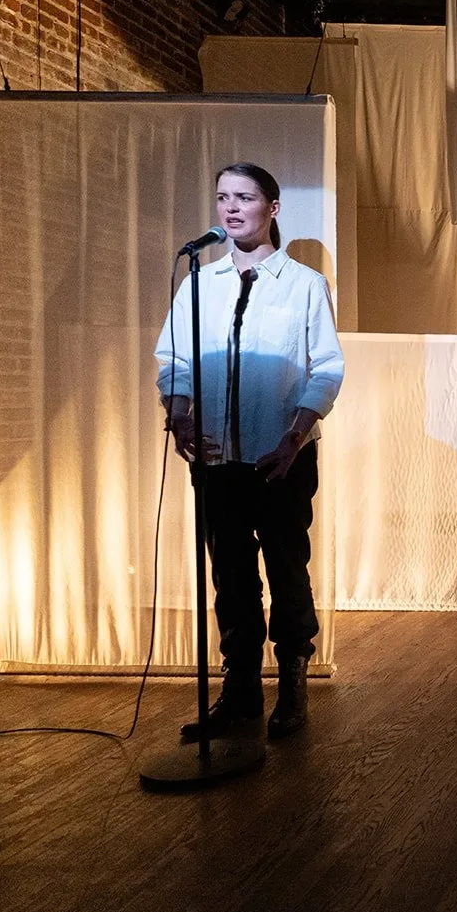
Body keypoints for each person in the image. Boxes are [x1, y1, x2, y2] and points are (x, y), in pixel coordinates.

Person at [155, 162, 345, 742]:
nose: (231, 208)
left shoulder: (305, 284)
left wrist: (295, 436)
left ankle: (292, 689)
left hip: (281, 457)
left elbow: (325, 368)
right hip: (216, 459)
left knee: (286, 569)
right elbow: (175, 358)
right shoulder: (199, 282)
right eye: (222, 197)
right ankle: (239, 693)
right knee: (231, 576)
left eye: (244, 197)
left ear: (273, 207)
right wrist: (179, 413)